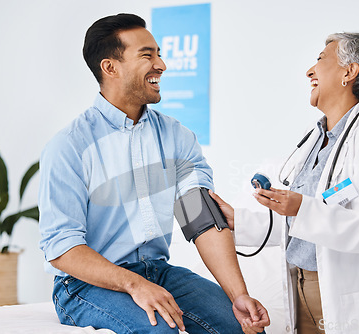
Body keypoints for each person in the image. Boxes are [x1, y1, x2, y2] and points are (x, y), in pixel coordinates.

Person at [38, 13, 269, 334]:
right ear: (110, 67)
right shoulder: (70, 146)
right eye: (147, 55)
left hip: (157, 272)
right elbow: (62, 247)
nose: (161, 64)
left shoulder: (178, 137)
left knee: (240, 327)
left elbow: (202, 220)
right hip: (84, 286)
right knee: (162, 329)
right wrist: (135, 285)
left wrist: (238, 295)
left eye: (159, 53)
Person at [210, 32, 359, 334]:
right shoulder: (315, 141)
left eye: (320, 60)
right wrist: (238, 221)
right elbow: (301, 221)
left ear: (349, 72)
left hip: (346, 294)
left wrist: (302, 208)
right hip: (302, 286)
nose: (310, 71)